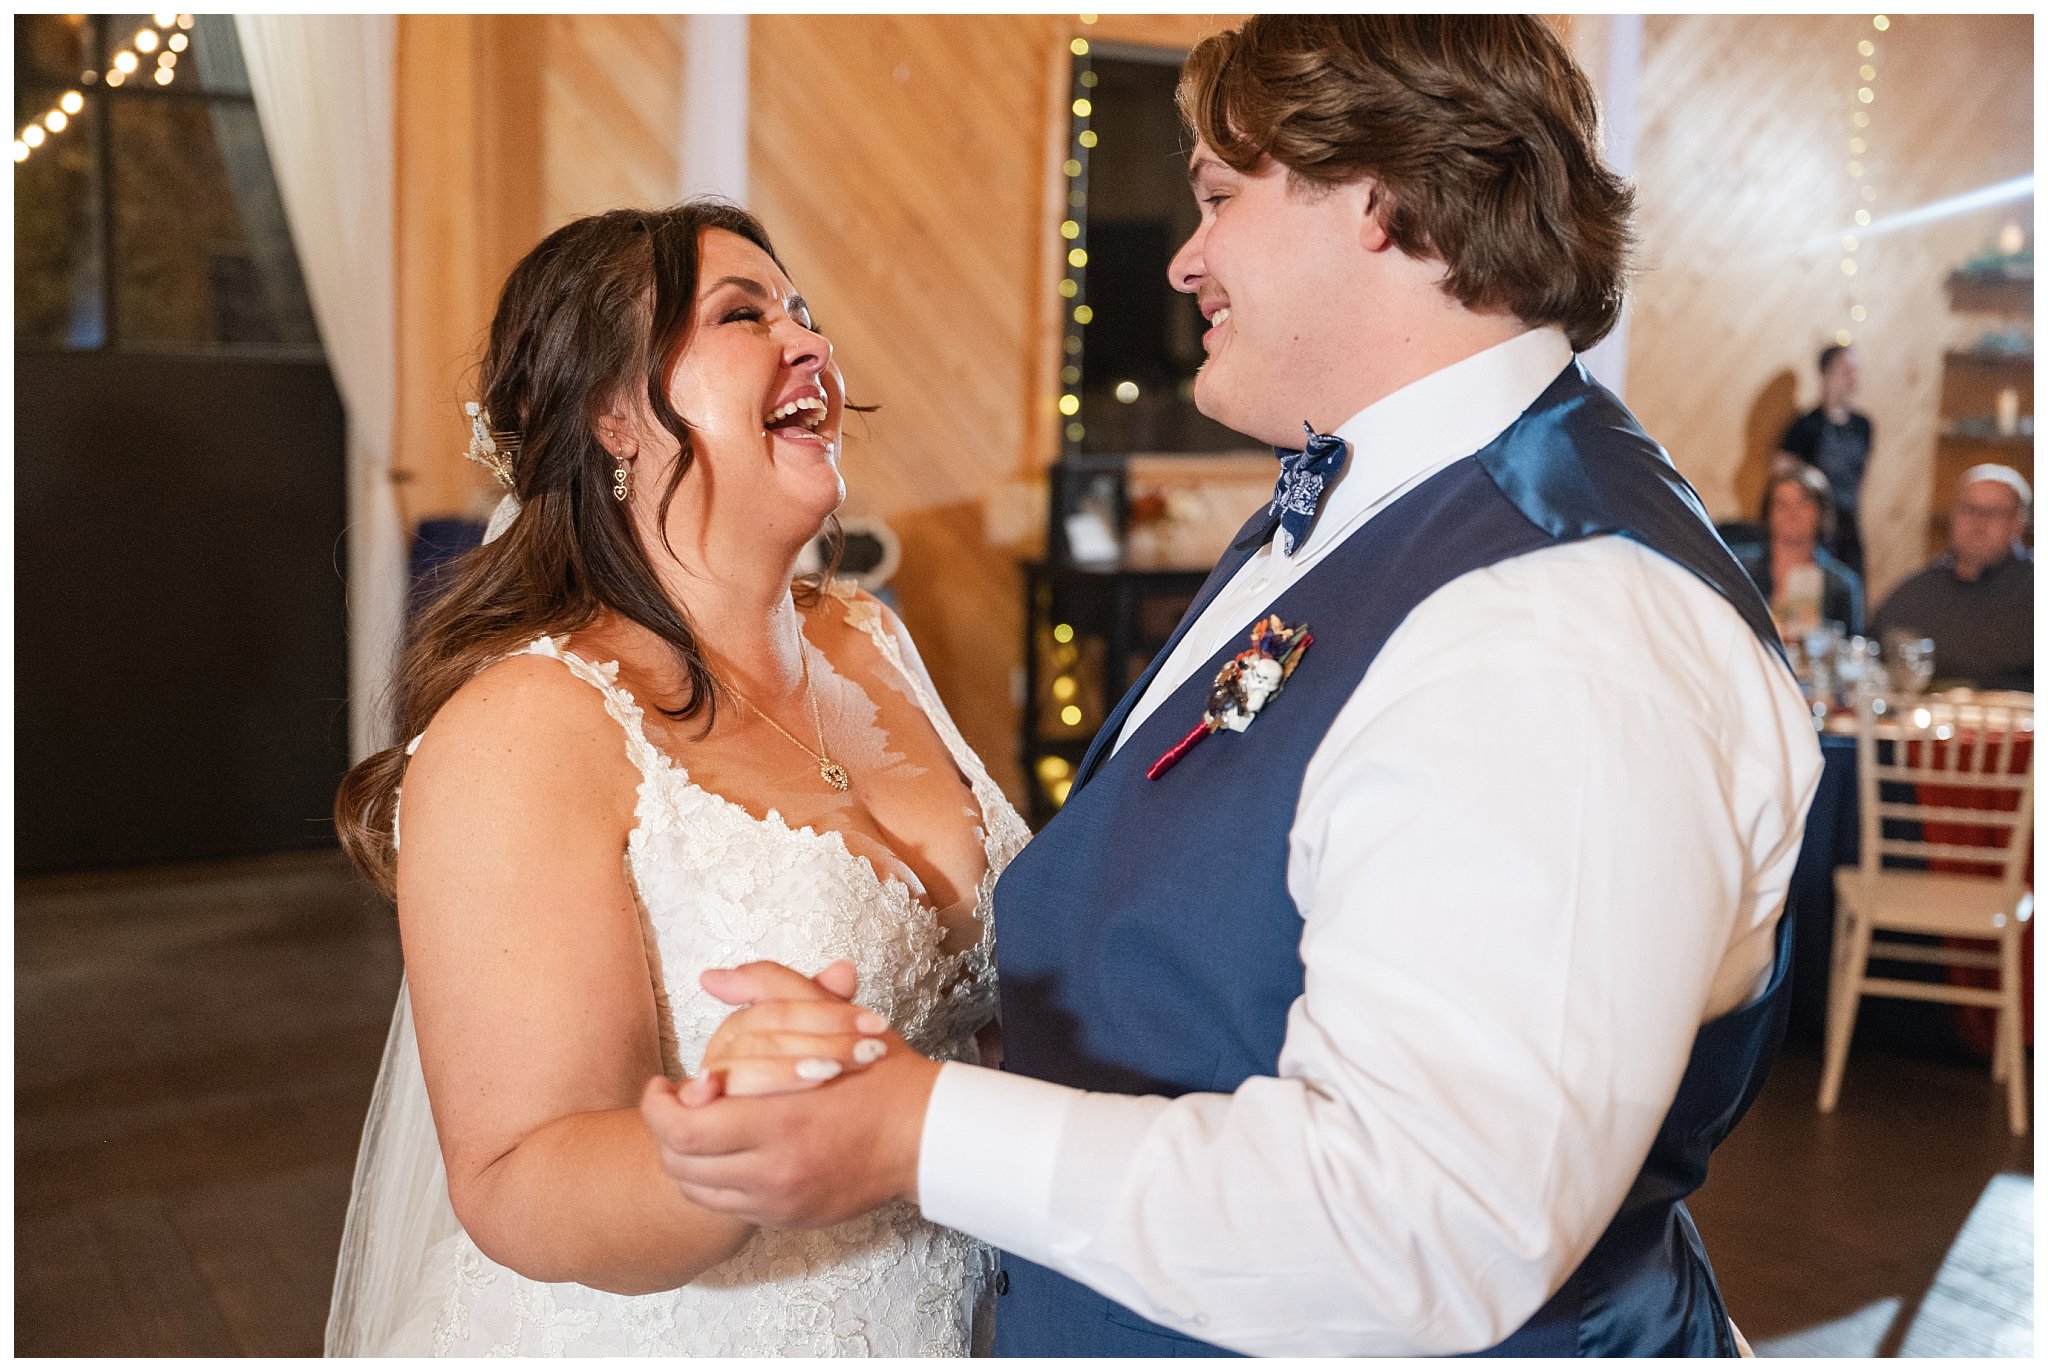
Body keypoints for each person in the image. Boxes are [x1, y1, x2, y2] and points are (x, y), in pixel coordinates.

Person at [641, 16, 1822, 1358]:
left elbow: (1423, 1229)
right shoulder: (1369, 506)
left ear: (1375, 193)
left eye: (1216, 196)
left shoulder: (1558, 623)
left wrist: (917, 1132)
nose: (1185, 256)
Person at [324, 201, 1028, 1355]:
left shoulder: (870, 638)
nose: (811, 343)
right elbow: (516, 1176)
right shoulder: (527, 724)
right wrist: (731, 1144)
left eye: (803, 311)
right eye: (744, 316)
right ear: (611, 413)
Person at [1871, 464, 2034, 691]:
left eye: (1994, 513)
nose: (1978, 522)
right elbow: (1874, 659)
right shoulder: (1916, 591)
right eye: (1969, 509)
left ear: (2019, 524)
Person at [1732, 461, 1865, 638]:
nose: (1792, 513)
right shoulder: (1737, 568)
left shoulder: (1842, 585)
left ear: (1821, 513)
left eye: (1803, 504)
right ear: (1768, 513)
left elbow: (1851, 645)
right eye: (1781, 504)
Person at [1775, 343, 1872, 576]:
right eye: (1846, 370)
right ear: (1825, 374)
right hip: (1814, 533)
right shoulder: (1806, 426)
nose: (1852, 376)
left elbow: (1860, 479)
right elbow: (1781, 475)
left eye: (1855, 370)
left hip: (1849, 528)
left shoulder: (1863, 426)